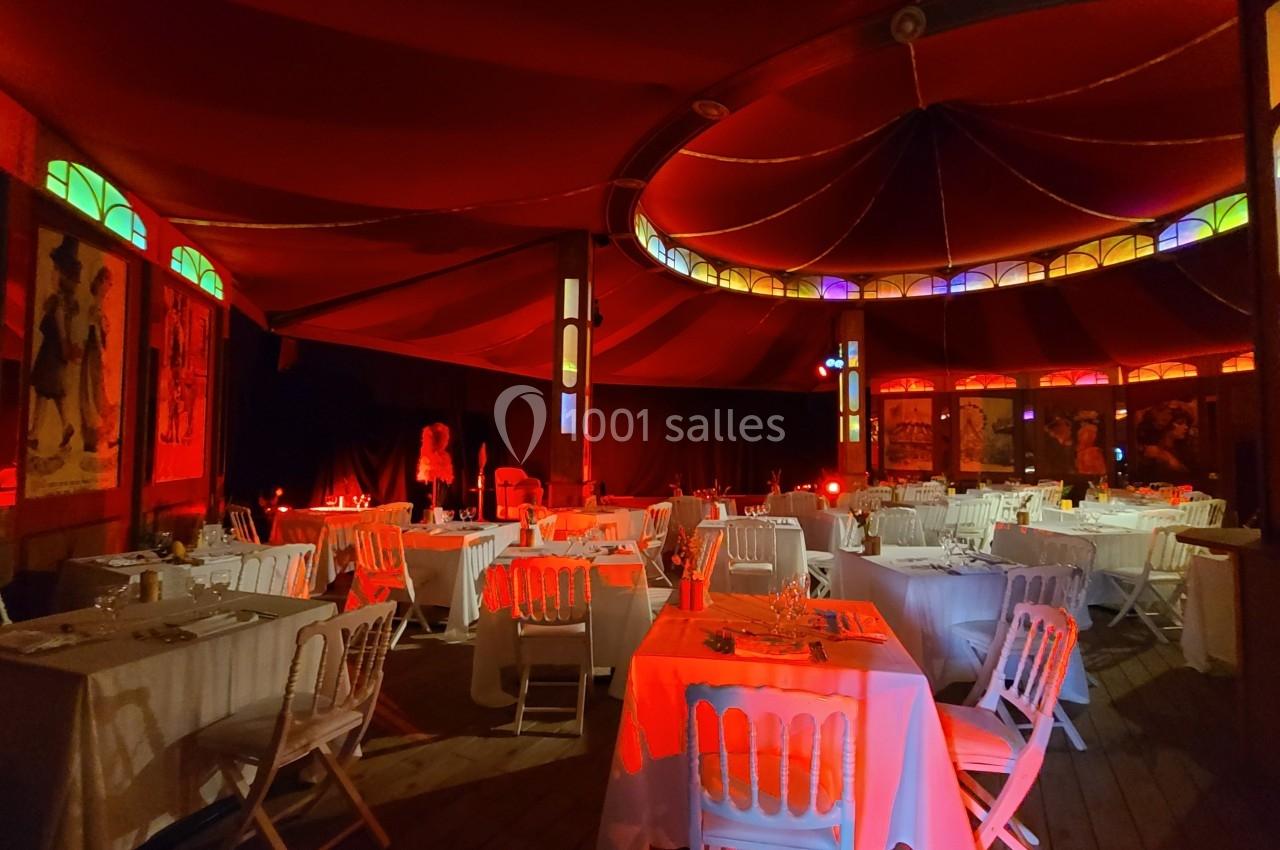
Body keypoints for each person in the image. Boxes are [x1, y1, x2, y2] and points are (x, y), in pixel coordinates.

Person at [27, 236, 80, 453]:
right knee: (52, 392)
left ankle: (35, 433)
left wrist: (64, 345)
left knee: (45, 390)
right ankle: (60, 427)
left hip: (52, 351)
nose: (53, 273)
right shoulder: (66, 303)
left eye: (56, 269)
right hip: (56, 351)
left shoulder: (58, 303)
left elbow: (58, 325)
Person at [79, 265, 118, 453]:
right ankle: (97, 436)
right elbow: (94, 332)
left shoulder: (99, 305)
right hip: (95, 353)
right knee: (95, 393)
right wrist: (102, 353)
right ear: (101, 282)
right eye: (108, 283)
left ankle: (99, 436)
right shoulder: (95, 305)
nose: (109, 287)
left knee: (97, 392)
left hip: (97, 352)